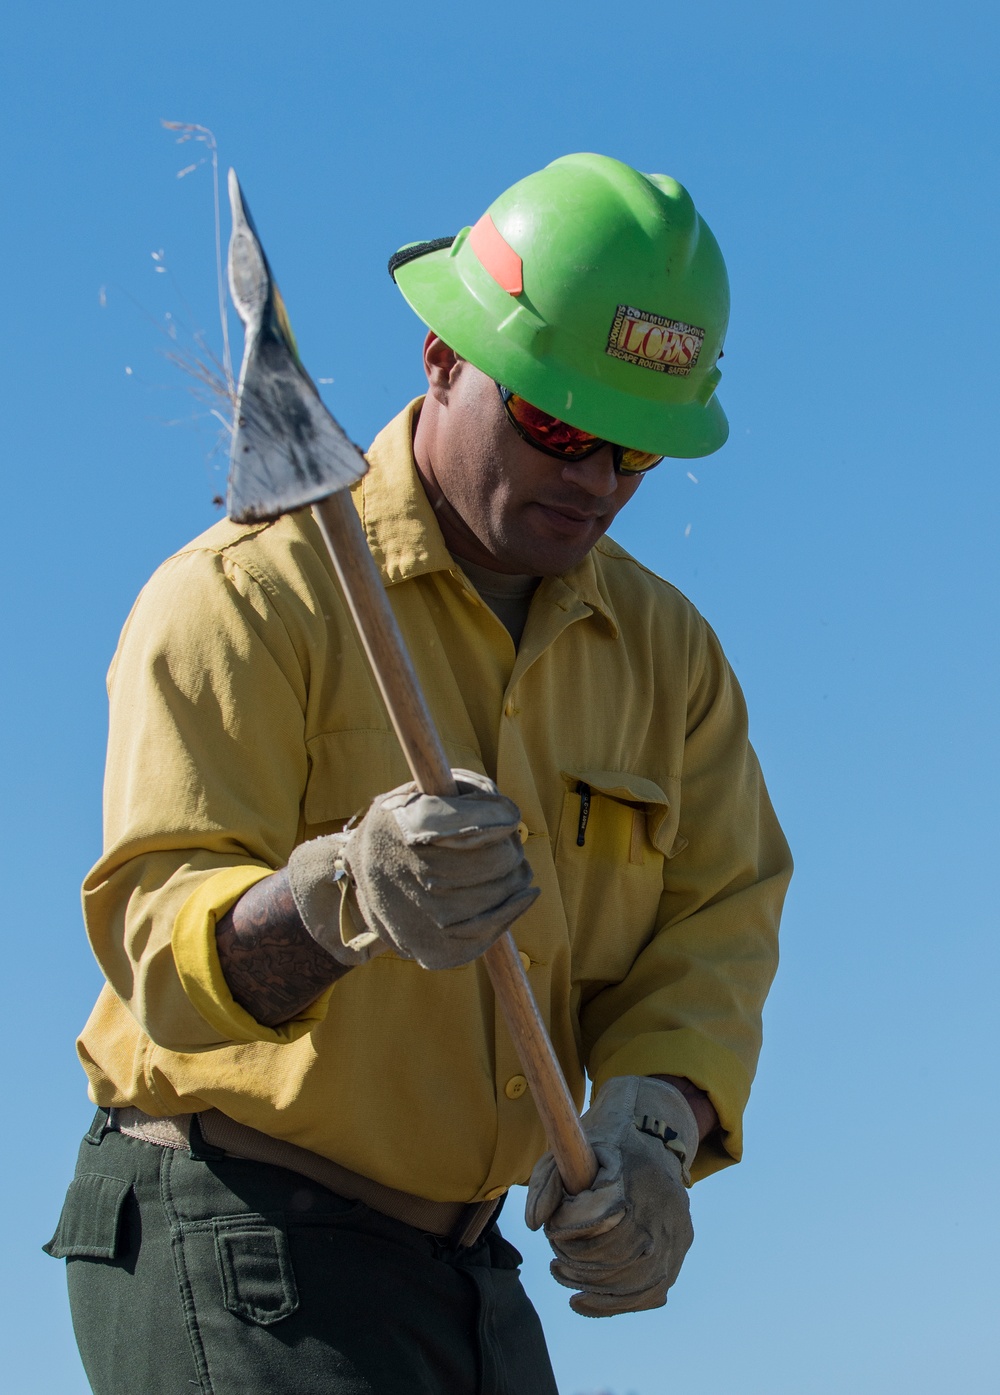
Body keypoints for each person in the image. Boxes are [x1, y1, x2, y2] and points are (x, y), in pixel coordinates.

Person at [46, 153, 792, 1395]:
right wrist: (339, 897)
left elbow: (713, 924)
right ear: (443, 357)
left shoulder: (671, 661)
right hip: (233, 1231)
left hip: (460, 1264)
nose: (595, 483)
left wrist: (656, 1123)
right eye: (557, 426)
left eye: (635, 452)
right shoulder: (247, 596)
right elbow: (154, 946)